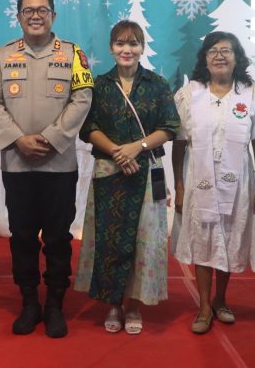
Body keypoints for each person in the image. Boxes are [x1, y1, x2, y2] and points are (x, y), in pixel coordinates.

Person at [0, 0, 93, 338]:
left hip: (58, 164)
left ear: (53, 16)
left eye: (42, 10)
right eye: (28, 10)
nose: (35, 15)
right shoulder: (2, 56)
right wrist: (18, 139)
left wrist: (51, 138)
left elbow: (82, 98)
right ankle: (29, 301)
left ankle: (55, 303)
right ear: (18, 16)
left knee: (59, 237)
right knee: (23, 236)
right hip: (18, 165)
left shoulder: (74, 55)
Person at [74, 20, 179, 335]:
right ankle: (113, 303)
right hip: (109, 171)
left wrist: (136, 148)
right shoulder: (100, 84)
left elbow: (170, 126)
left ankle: (134, 304)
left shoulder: (157, 84)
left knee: (144, 240)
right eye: (120, 43)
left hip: (146, 173)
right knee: (109, 240)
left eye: (133, 43)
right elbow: (88, 128)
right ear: (111, 48)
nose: (127, 49)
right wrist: (118, 153)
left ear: (142, 48)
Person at [170, 31, 255, 334]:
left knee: (230, 236)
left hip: (238, 180)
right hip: (198, 177)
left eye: (226, 50)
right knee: (203, 238)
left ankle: (221, 299)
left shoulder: (252, 95)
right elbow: (178, 144)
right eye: (212, 51)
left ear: (237, 58)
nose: (219, 56)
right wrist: (179, 186)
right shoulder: (189, 94)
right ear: (204, 58)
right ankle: (204, 306)